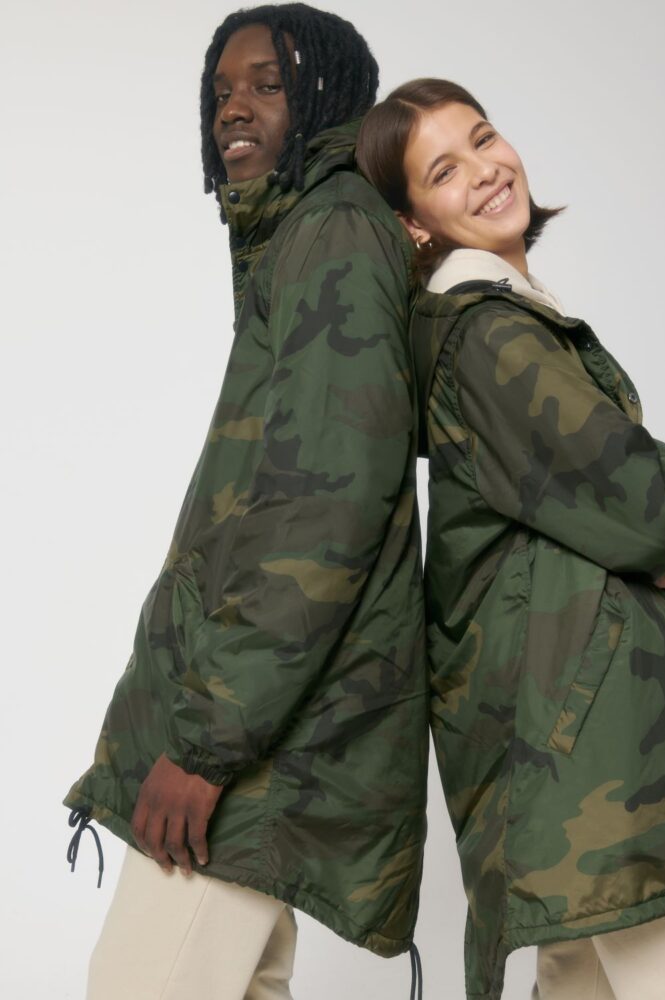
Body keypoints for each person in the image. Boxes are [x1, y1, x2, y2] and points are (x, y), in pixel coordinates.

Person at [357, 78, 665, 1000]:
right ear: (414, 223)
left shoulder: (505, 321)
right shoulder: (488, 335)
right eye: (442, 170)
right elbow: (650, 505)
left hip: (571, 770)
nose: (484, 170)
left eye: (483, 137)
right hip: (605, 774)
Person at [64, 8, 428, 999]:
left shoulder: (334, 232)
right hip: (272, 730)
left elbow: (323, 505)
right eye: (222, 88)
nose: (234, 107)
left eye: (268, 84)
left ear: (327, 99)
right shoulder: (303, 234)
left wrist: (205, 745)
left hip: (262, 743)